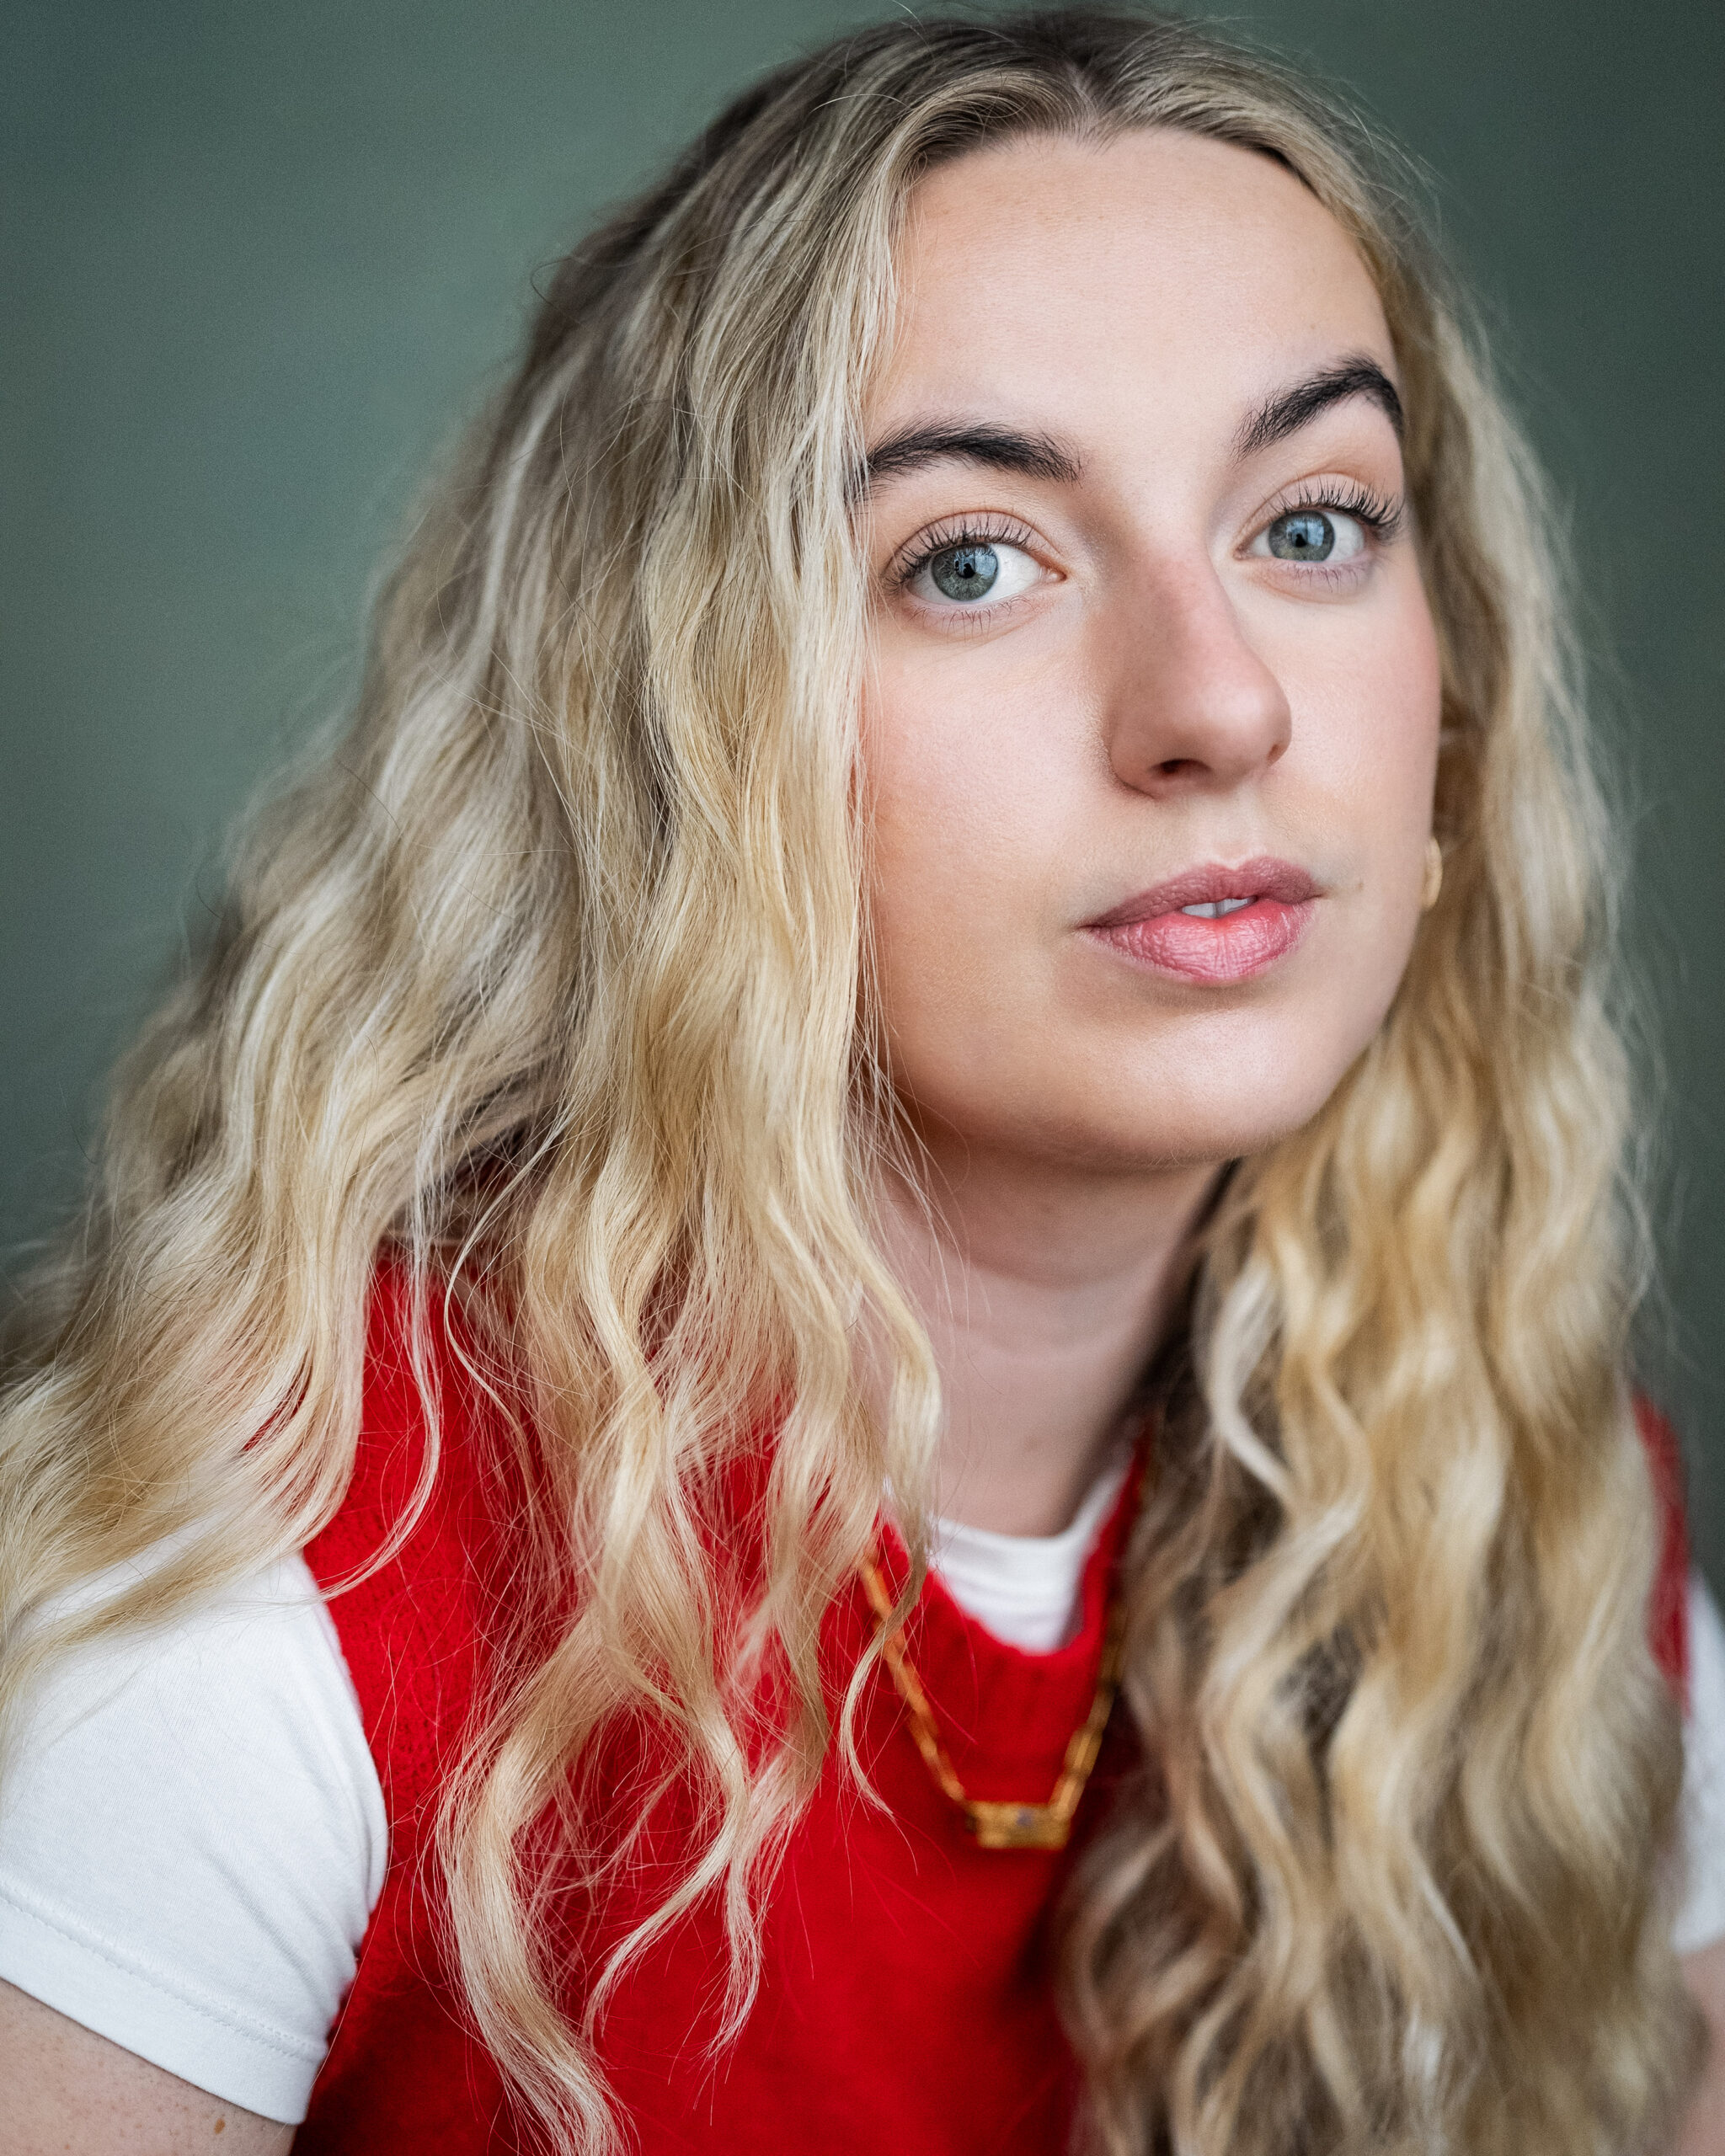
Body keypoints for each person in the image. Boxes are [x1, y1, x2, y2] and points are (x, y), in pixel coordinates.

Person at [1, 8, 1721, 2151]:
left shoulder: (1511, 1495)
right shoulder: (266, 1595)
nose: (1219, 705)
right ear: (670, 738)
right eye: (969, 560)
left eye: (1310, 524)